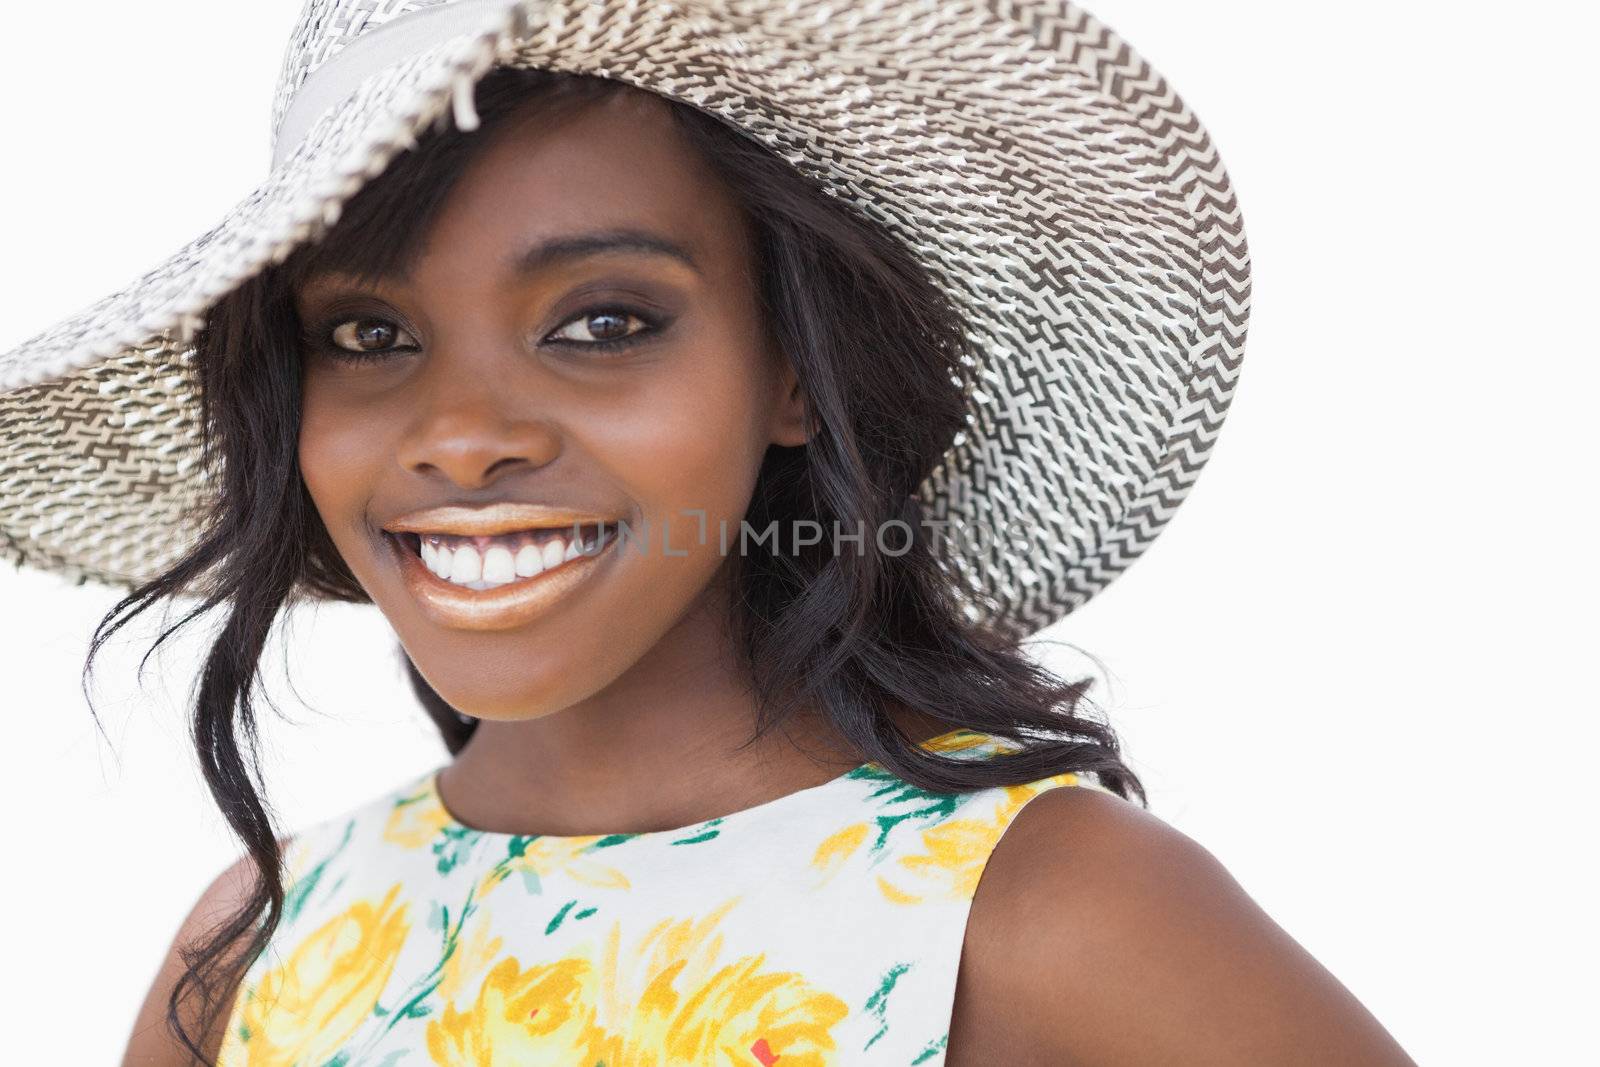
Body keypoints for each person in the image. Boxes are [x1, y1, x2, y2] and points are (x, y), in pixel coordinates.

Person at [0, 3, 1415, 1064]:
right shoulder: (259, 943)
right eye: (370, 336)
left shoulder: (1039, 911)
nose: (462, 433)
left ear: (792, 371)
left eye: (604, 323)